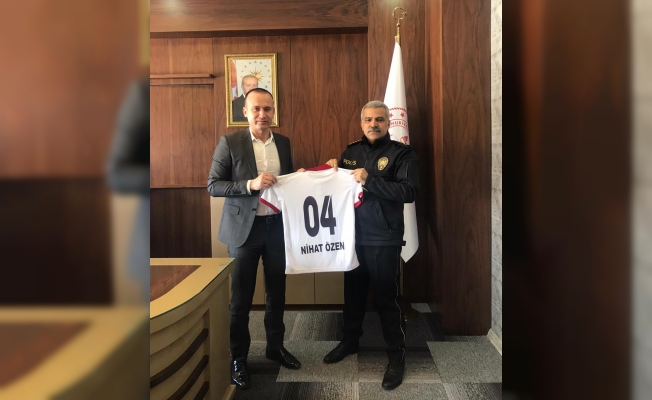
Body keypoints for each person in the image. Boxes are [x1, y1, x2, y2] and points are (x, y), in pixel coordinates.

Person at [322, 100, 420, 391]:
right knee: (352, 294)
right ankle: (350, 341)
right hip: (351, 236)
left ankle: (396, 356)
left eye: (379, 119)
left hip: (383, 237)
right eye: (368, 119)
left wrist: (369, 180)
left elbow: (408, 192)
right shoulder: (350, 152)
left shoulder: (402, 153)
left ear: (388, 123)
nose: (373, 124)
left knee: (386, 298)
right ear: (361, 123)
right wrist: (328, 171)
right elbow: (338, 190)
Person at [208, 88, 301, 390]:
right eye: (256, 109)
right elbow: (213, 185)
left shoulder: (283, 143)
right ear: (245, 112)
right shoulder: (230, 142)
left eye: (268, 109)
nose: (263, 114)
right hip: (243, 231)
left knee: (277, 292)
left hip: (277, 228)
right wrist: (250, 184)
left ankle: (275, 348)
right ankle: (239, 358)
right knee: (240, 300)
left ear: (274, 111)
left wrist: (298, 177)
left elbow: (285, 183)